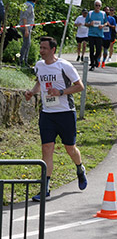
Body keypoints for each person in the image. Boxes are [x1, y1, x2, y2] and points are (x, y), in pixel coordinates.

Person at [24, 36, 87, 201]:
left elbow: (80, 86)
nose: (41, 51)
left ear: (53, 49)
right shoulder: (39, 65)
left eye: (44, 48)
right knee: (46, 149)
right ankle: (45, 188)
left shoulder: (64, 66)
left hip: (65, 113)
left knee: (70, 148)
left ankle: (80, 169)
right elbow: (39, 83)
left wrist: (60, 92)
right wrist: (32, 92)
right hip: (47, 114)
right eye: (40, 48)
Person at [85, 0, 107, 70]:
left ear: (100, 6)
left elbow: (106, 23)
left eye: (99, 5)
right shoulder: (90, 13)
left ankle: (94, 60)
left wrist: (103, 26)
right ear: (94, 6)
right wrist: (89, 24)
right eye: (96, 5)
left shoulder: (103, 14)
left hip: (99, 35)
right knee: (91, 50)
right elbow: (85, 23)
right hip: (91, 34)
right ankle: (93, 65)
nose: (97, 7)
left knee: (98, 50)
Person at [19, 0, 36, 67]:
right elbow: (24, 17)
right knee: (26, 44)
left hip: (27, 27)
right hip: (25, 27)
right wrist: (26, 30)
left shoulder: (24, 5)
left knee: (27, 43)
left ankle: (24, 60)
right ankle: (22, 61)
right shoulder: (29, 6)